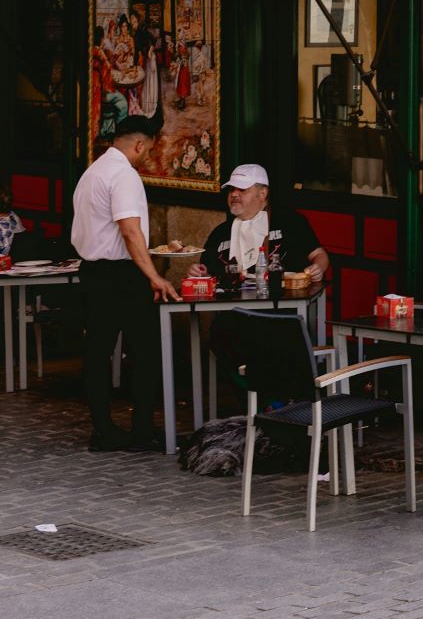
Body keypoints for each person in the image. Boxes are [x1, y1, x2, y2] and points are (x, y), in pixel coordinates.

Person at [71, 114, 180, 452]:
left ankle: (102, 428)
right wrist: (154, 276)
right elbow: (130, 232)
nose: (146, 156)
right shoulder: (125, 176)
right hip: (121, 274)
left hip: (91, 271)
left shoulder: (93, 172)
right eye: (147, 150)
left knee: (97, 353)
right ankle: (142, 428)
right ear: (139, 144)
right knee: (147, 351)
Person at [191, 163, 329, 286]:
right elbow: (207, 273)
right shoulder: (220, 232)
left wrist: (318, 268)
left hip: (281, 306)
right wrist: (199, 273)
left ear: (262, 193)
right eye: (231, 189)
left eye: (242, 190)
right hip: (232, 309)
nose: (234, 194)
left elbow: (319, 254)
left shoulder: (289, 221)